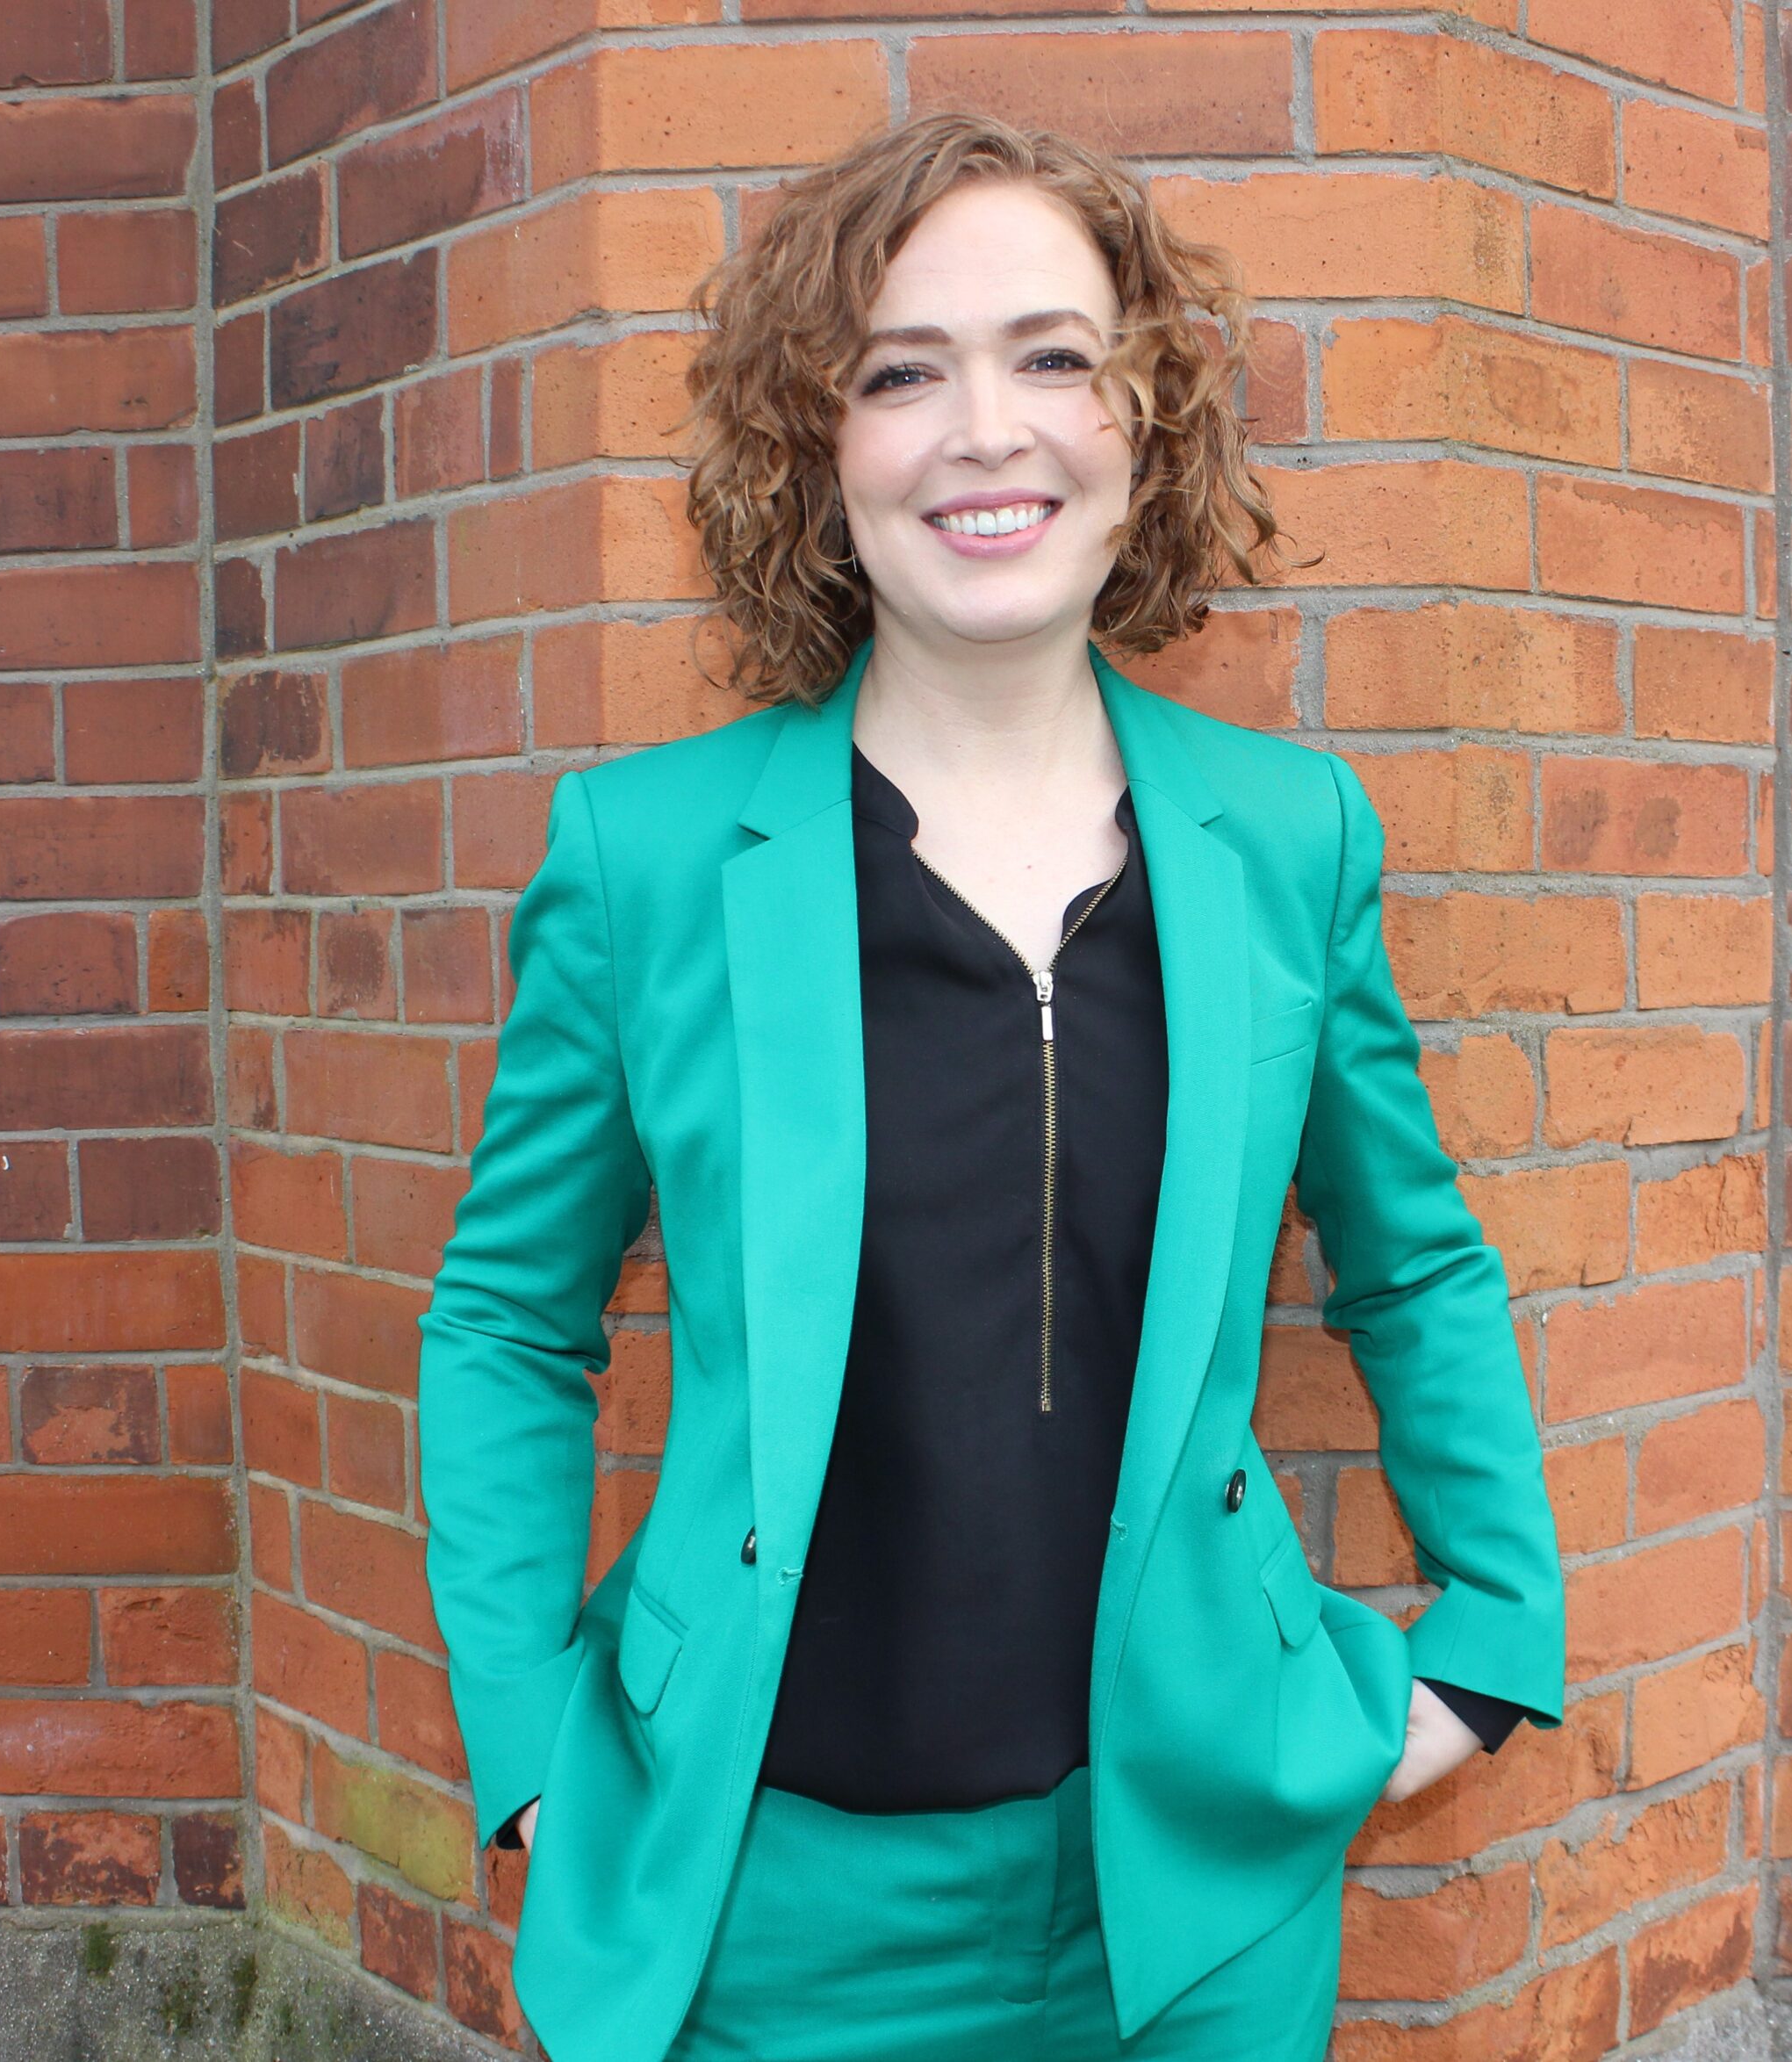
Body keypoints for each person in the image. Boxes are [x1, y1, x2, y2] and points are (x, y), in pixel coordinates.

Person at [415, 111, 1565, 2062]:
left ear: (1144, 422)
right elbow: (509, 1321)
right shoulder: (648, 859)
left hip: (1197, 1893)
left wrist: (1488, 1638)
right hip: (765, 1911)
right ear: (816, 446)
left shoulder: (1286, 839)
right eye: (897, 371)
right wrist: (529, 1746)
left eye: (1050, 355)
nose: (984, 428)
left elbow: (1416, 1258)